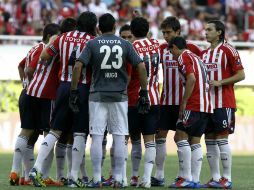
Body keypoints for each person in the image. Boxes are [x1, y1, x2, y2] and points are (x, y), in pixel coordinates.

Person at [70, 13, 148, 188]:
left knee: (97, 137)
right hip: (120, 96)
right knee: (120, 137)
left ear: (99, 28)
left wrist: (74, 90)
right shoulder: (125, 43)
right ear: (114, 27)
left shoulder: (92, 43)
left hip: (97, 95)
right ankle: (119, 178)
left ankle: (97, 179)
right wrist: (144, 91)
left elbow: (78, 65)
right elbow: (141, 66)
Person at [29, 11, 97, 188]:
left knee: (55, 130)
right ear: (92, 25)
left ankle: (36, 168)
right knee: (79, 132)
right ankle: (73, 177)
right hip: (82, 88)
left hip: (63, 87)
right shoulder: (92, 40)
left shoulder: (63, 37)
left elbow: (44, 56)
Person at [152, 16, 202, 187]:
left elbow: (200, 72)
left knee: (186, 138)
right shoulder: (161, 49)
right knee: (160, 136)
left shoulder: (192, 48)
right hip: (166, 101)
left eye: (169, 32)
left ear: (178, 31)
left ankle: (187, 177)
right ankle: (159, 175)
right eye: (163, 33)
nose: (166, 36)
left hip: (186, 102)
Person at [9, 23, 60, 186]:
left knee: (28, 133)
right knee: (48, 134)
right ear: (51, 36)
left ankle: (18, 174)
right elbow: (29, 69)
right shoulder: (44, 48)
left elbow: (20, 65)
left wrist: (25, 84)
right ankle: (42, 175)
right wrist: (30, 83)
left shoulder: (34, 47)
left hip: (29, 92)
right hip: (40, 95)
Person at [201, 20, 245, 189]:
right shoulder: (204, 54)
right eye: (205, 30)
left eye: (209, 30)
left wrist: (221, 82)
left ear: (219, 32)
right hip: (207, 104)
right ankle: (215, 178)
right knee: (209, 140)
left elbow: (241, 75)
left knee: (222, 139)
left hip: (223, 102)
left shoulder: (229, 50)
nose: (206, 32)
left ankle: (227, 178)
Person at [168, 36, 213, 188]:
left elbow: (191, 79)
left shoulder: (183, 56)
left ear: (174, 47)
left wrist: (184, 101)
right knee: (195, 141)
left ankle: (186, 178)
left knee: (179, 136)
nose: (172, 56)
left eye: (171, 52)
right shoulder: (197, 58)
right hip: (206, 105)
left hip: (193, 104)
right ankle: (194, 179)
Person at [129, 16, 161, 188]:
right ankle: (147, 179)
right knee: (150, 141)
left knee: (134, 139)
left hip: (135, 98)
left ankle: (134, 177)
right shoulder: (156, 44)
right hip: (154, 98)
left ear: (132, 32)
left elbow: (128, 74)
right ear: (147, 30)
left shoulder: (131, 47)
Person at [103, 24, 134, 187]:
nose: (127, 40)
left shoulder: (131, 53)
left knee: (123, 138)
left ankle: (122, 176)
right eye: (124, 37)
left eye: (130, 37)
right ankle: (115, 175)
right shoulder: (120, 52)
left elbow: (128, 78)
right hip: (115, 99)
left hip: (129, 100)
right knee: (115, 138)